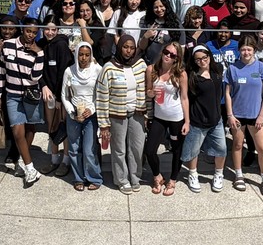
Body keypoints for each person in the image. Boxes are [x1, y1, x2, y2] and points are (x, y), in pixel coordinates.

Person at [0, 18, 45, 186]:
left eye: (34, 33)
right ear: (22, 30)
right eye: (28, 31)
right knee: (17, 131)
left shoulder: (38, 50)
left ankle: (24, 161)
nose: (30, 35)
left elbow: (35, 78)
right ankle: (30, 168)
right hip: (12, 95)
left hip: (30, 94)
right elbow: (1, 72)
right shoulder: (7, 45)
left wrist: (39, 54)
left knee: (31, 126)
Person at [96, 35, 148, 194]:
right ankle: (121, 179)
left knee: (137, 147)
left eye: (132, 48)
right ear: (119, 47)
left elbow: (148, 88)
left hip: (137, 112)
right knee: (119, 149)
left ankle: (135, 176)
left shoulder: (140, 64)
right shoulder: (109, 67)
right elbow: (101, 96)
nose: (129, 51)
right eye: (125, 47)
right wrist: (104, 124)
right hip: (116, 114)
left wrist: (148, 115)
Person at [224, 33, 263, 195]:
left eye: (249, 49)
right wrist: (230, 115)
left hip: (255, 116)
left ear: (254, 50)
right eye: (243, 49)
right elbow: (228, 94)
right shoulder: (232, 68)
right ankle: (239, 175)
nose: (246, 53)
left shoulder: (261, 68)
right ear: (239, 51)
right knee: (237, 145)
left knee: (262, 148)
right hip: (238, 115)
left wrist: (261, 116)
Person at [143, 41, 190, 196]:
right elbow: (148, 92)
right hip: (158, 116)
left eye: (172, 55)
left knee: (177, 150)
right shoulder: (151, 70)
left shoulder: (180, 73)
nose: (167, 56)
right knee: (150, 150)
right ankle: (157, 176)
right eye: (166, 52)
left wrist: (187, 122)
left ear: (177, 58)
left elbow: (184, 98)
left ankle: (173, 180)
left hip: (176, 117)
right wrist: (151, 94)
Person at [180, 45, 228, 193]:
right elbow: (185, 98)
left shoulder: (217, 69)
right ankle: (193, 174)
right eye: (198, 59)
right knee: (193, 151)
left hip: (216, 119)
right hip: (198, 120)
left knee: (221, 149)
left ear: (209, 56)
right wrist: (187, 121)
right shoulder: (192, 76)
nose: (202, 61)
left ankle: (219, 174)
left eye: (204, 58)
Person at [62, 42, 103, 190]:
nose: (84, 58)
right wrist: (72, 112)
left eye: (87, 55)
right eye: (81, 54)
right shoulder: (69, 71)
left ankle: (94, 178)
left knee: (88, 149)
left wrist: (91, 109)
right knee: (74, 148)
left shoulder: (98, 70)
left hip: (90, 115)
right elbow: (64, 95)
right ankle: (78, 178)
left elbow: (101, 94)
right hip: (74, 115)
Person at [39, 16, 73, 174]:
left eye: (53, 29)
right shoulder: (41, 45)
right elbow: (38, 69)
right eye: (47, 29)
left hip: (62, 95)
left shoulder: (61, 45)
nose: (50, 32)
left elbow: (63, 73)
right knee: (51, 126)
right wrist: (44, 86)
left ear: (58, 30)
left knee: (63, 127)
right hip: (48, 93)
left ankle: (65, 161)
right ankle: (54, 159)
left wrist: (60, 98)